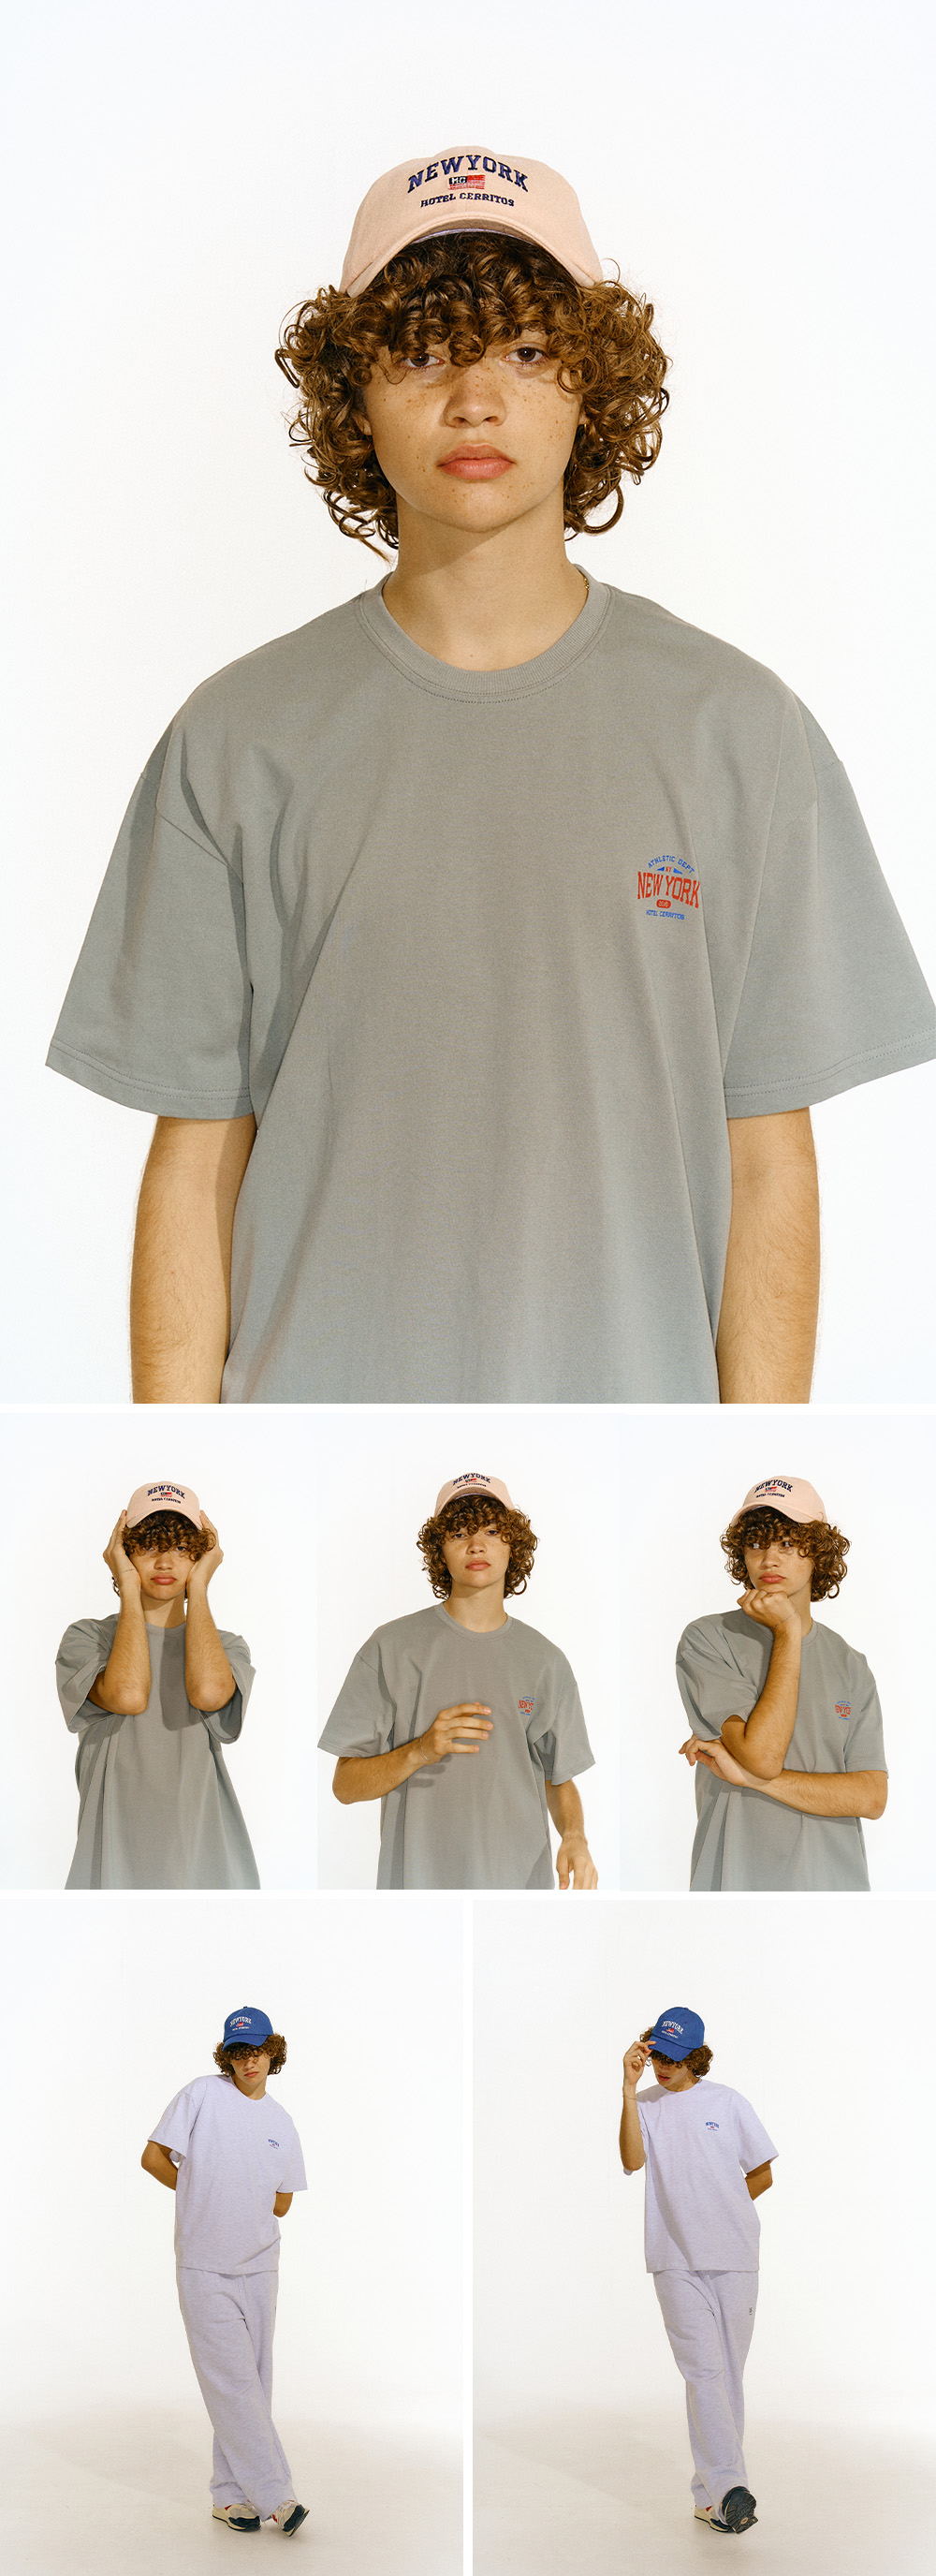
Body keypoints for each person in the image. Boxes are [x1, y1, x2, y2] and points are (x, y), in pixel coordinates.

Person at [46, 151, 935, 1410]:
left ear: (592, 384)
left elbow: (767, 1161)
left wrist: (743, 1466)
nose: (475, 400)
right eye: (423, 353)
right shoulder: (236, 740)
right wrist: (184, 1469)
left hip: (633, 1455)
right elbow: (195, 1163)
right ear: (354, 397)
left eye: (524, 350)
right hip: (313, 1447)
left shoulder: (739, 733)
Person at [322, 1468, 596, 1888]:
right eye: (459, 1532)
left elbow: (558, 1777)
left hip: (517, 1888)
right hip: (418, 1890)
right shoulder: (390, 1648)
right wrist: (420, 1750)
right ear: (440, 1551)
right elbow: (345, 1785)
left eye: (492, 1530)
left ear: (513, 1545)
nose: (476, 1544)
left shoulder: (546, 1661)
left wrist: (575, 1836)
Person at [141, 2001, 307, 2534]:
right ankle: (277, 2496)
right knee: (233, 2383)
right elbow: (153, 2157)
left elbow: (283, 2202)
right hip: (204, 2263)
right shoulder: (201, 2095)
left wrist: (243, 2196)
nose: (248, 2061)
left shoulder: (281, 2122)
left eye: (257, 2050)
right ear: (227, 2057)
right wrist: (200, 2192)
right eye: (238, 2052)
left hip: (260, 2266)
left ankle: (230, 2496)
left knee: (250, 2386)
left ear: (272, 2053)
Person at [677, 1469, 887, 1889]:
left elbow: (871, 1796)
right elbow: (763, 1756)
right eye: (756, 1544)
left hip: (834, 1891)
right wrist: (788, 1631)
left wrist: (752, 1780)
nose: (769, 1559)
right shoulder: (708, 1639)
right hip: (735, 1882)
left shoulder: (852, 1665)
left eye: (788, 1544)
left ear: (818, 1554)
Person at [619, 2005, 775, 2532]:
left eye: (674, 2059)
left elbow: (762, 2173)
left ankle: (711, 2498)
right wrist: (628, 2088)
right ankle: (731, 2487)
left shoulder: (728, 2103)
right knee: (703, 2372)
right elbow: (632, 2161)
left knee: (727, 2375)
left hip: (734, 2256)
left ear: (696, 2058)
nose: (663, 2067)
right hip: (673, 2258)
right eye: (657, 2056)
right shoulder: (645, 2105)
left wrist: (721, 2211)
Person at [56, 1481, 258, 1889]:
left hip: (208, 1865)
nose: (165, 1562)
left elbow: (208, 1693)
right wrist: (128, 1589)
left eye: (182, 1548)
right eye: (149, 1545)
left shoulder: (226, 1647)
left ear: (200, 1556)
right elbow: (127, 1695)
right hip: (112, 1865)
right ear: (124, 1553)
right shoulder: (88, 1639)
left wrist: (198, 1589)